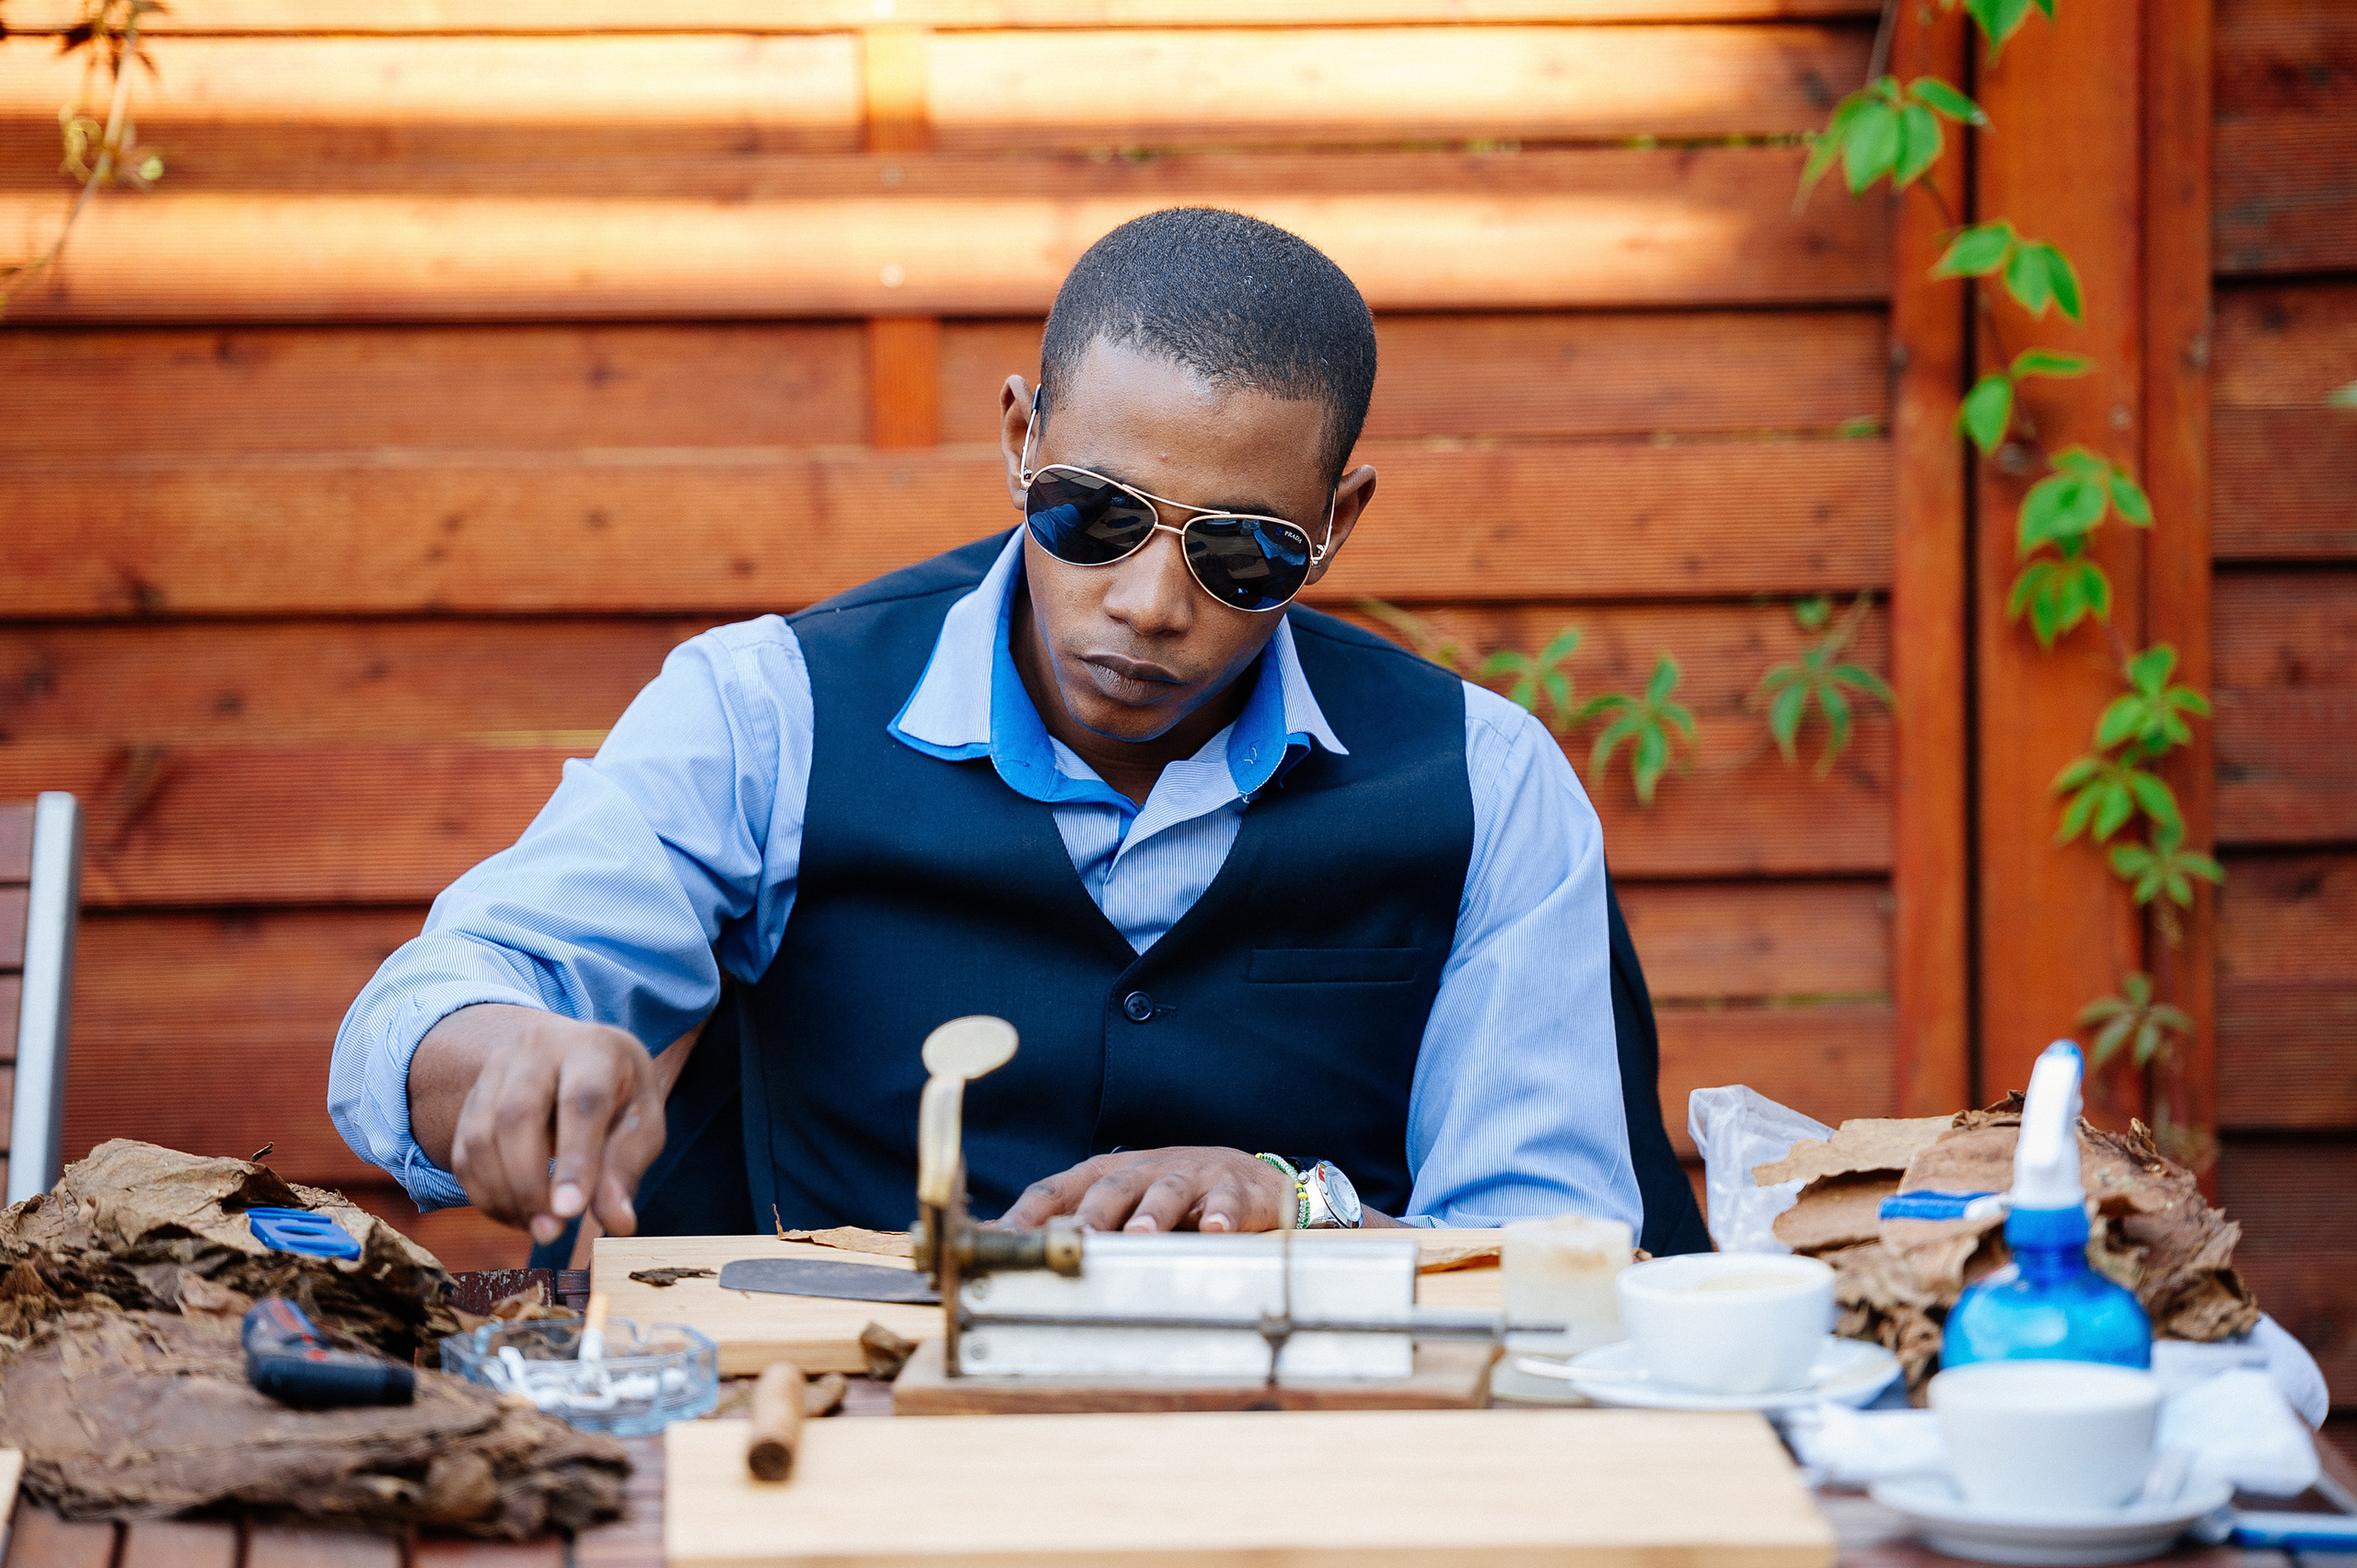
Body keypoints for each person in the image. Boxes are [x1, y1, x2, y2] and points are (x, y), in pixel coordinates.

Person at [330, 206, 1692, 1259]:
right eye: (1094, 517)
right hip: (848, 1442)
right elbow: (423, 1010)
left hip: (1303, 1465)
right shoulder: (769, 713)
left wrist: (1301, 1215)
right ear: (1018, 439)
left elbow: (1553, 1259)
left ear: (1337, 525)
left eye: (1245, 555)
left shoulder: (1486, 782)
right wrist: (505, 1055)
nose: (1152, 606)